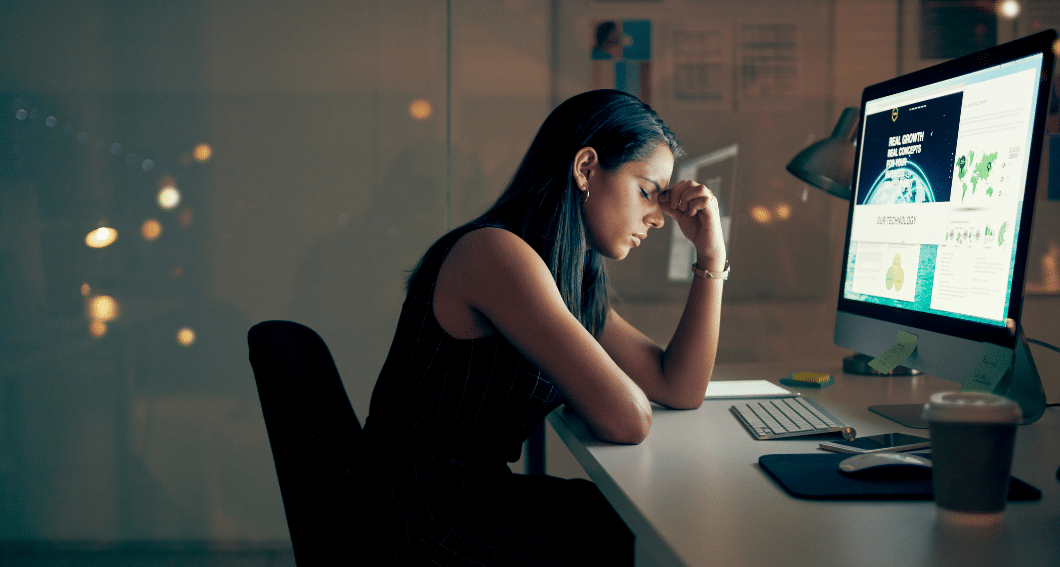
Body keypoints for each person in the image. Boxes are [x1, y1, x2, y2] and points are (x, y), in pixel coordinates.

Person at [360, 89, 726, 565]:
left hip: (478, 496)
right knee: (647, 545)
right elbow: (627, 420)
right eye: (645, 191)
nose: (657, 218)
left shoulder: (567, 276)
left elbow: (678, 387)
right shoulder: (496, 255)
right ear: (586, 168)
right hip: (422, 522)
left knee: (664, 522)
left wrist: (712, 257)